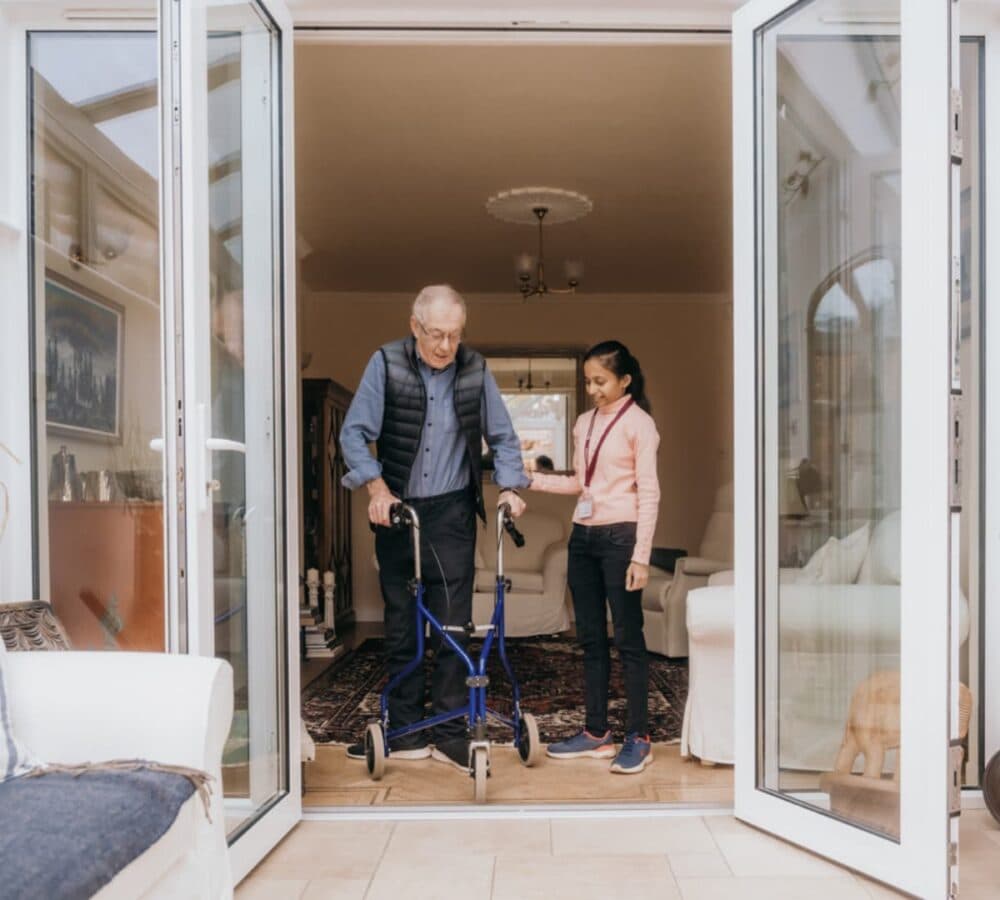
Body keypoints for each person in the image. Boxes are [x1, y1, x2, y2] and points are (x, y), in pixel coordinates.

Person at [339, 284, 529, 772]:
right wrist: (377, 490)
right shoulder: (385, 363)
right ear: (414, 326)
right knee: (402, 620)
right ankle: (404, 731)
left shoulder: (476, 369)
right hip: (398, 507)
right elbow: (354, 433)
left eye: (455, 335)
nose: (447, 346)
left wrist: (509, 486)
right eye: (437, 335)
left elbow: (504, 437)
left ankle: (449, 730)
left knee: (451, 623)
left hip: (451, 511)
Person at [529, 340, 660, 774]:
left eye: (600, 381)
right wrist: (533, 481)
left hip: (621, 538)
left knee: (628, 637)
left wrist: (641, 557)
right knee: (590, 638)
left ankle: (638, 737)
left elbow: (650, 494)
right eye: (587, 381)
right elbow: (581, 485)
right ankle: (597, 732)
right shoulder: (583, 423)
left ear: (624, 380)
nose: (593, 389)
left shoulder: (640, 425)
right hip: (583, 538)